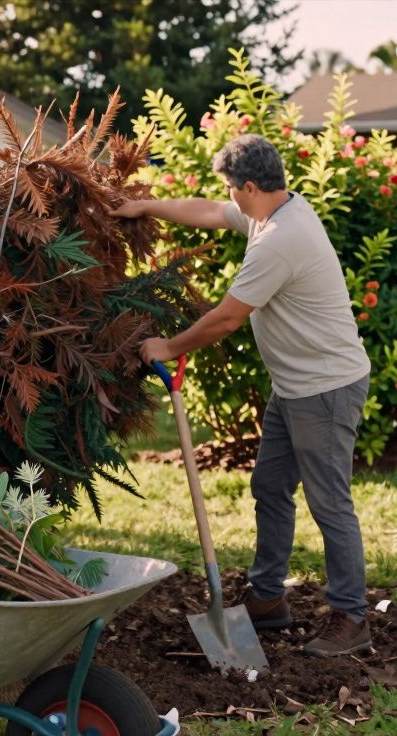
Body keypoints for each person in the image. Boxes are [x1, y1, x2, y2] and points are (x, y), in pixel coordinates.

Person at [110, 134, 372, 657]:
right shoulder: (273, 210)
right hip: (296, 386)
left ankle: (351, 615)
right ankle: (269, 599)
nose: (226, 196)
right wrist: (144, 204)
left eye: (232, 188)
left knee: (330, 505)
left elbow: (227, 318)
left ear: (250, 186)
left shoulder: (280, 238)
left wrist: (169, 345)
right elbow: (207, 210)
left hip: (325, 389)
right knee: (270, 487)